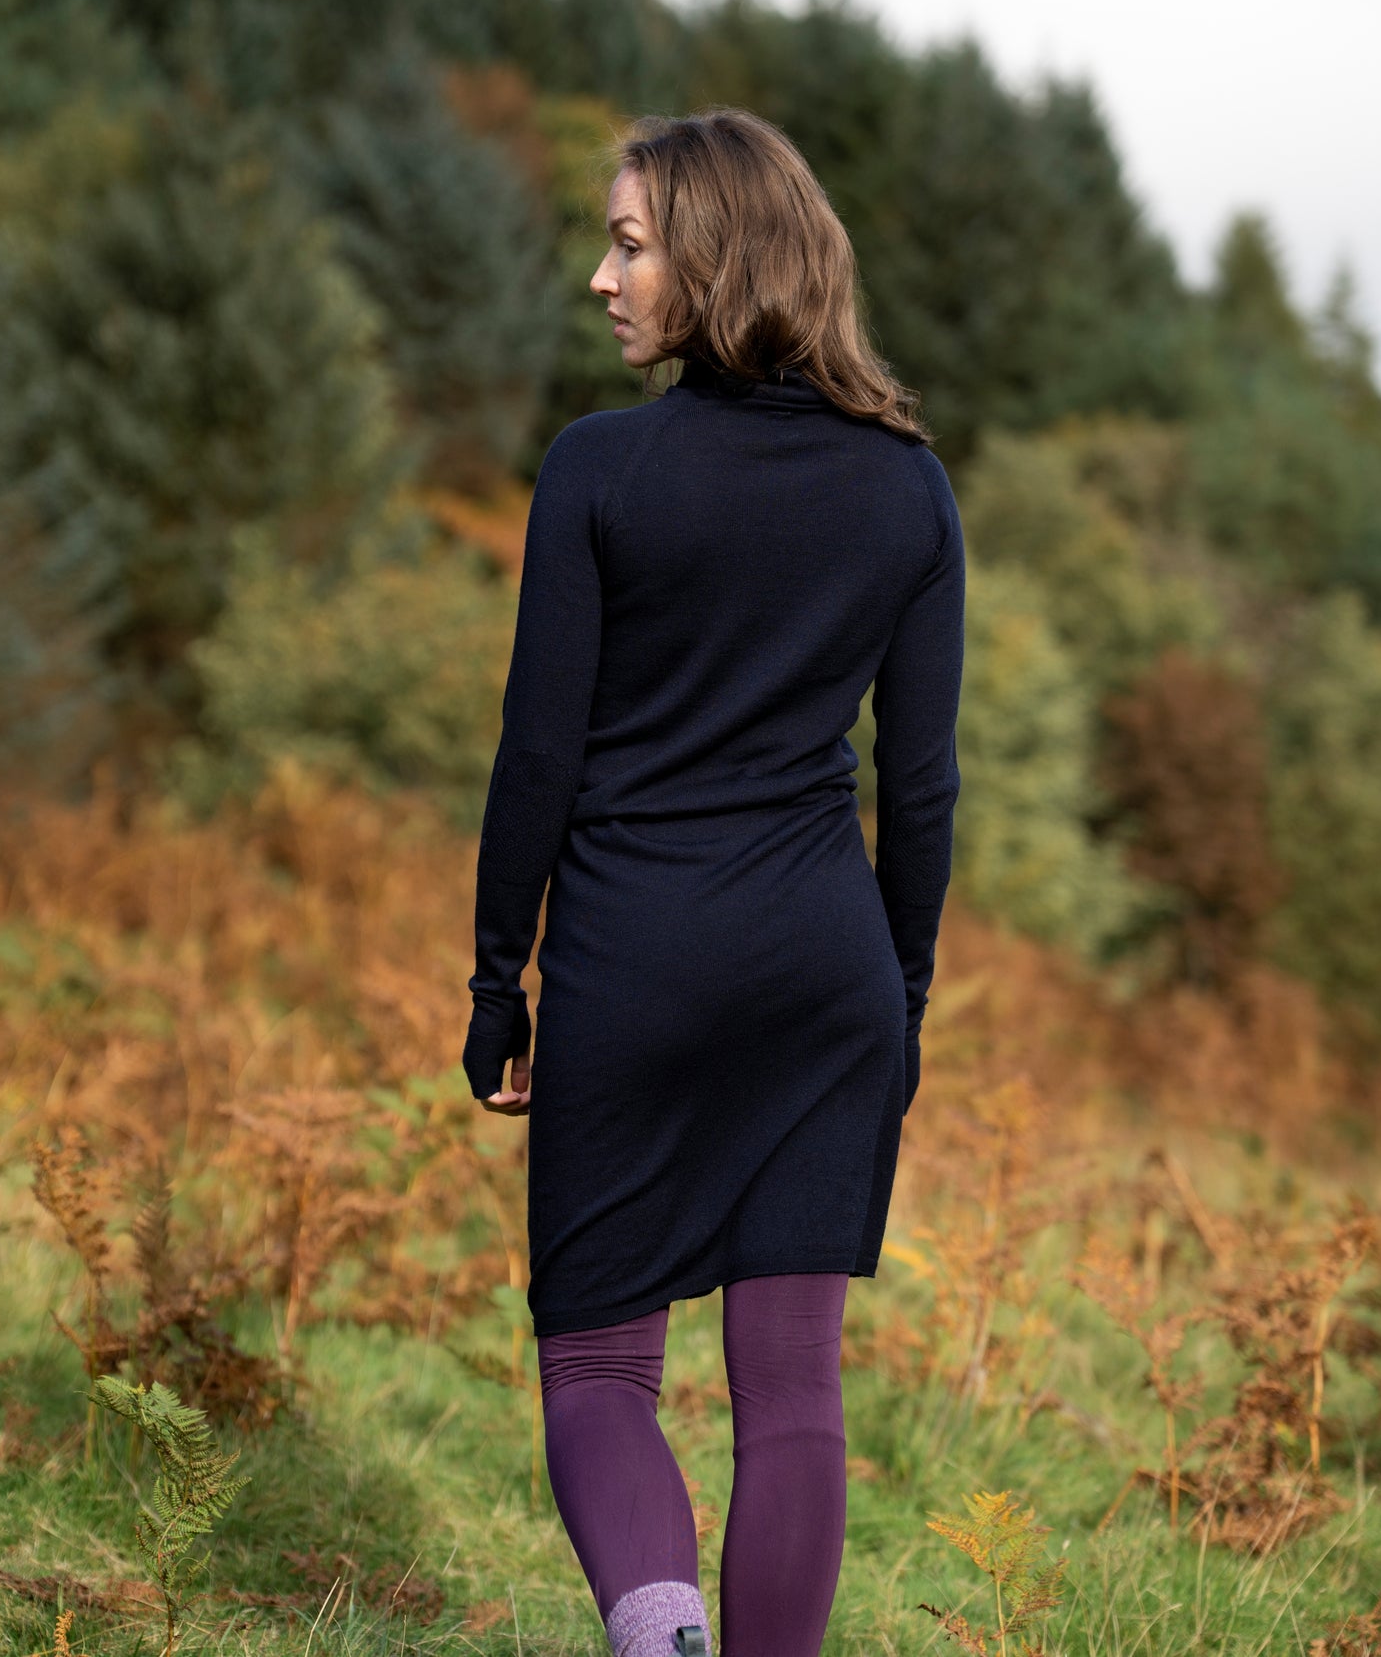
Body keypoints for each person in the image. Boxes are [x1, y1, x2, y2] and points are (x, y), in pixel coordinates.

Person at [460, 108, 965, 1657]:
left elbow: (537, 757)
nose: (599, 276)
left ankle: (659, 1632)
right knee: (793, 1389)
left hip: (635, 958)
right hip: (823, 974)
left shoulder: (599, 470)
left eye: (627, 242)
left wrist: (499, 980)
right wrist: (900, 1004)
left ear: (718, 254)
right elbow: (921, 784)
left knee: (602, 1376)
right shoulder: (907, 488)